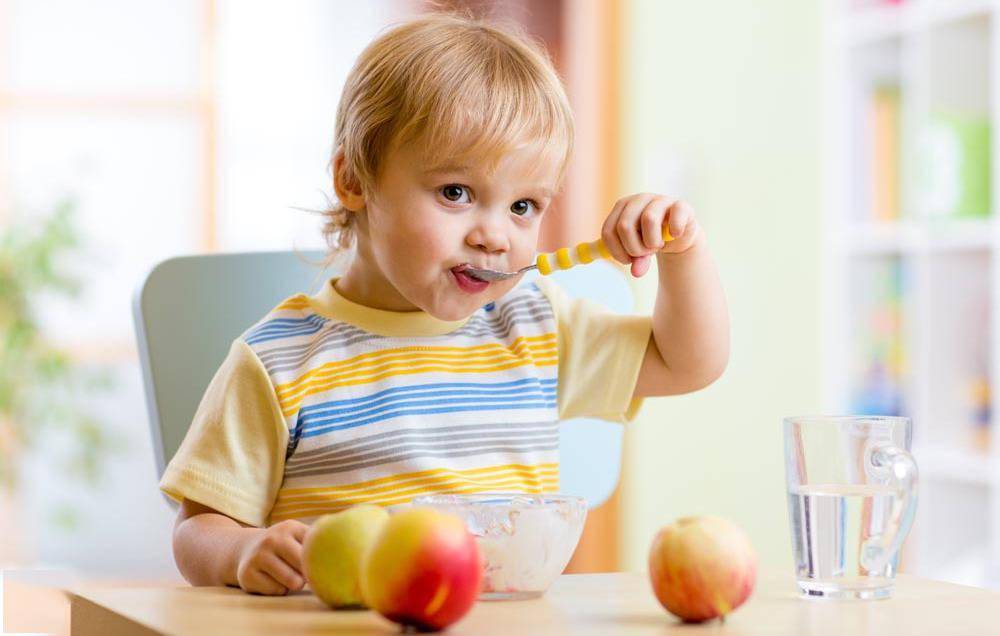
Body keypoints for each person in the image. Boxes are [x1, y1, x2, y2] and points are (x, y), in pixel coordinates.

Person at [161, 12, 729, 596]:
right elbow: (196, 530)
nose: (495, 235)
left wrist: (683, 253)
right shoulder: (278, 360)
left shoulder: (534, 325)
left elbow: (689, 362)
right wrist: (240, 552)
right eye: (456, 193)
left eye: (524, 206)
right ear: (354, 180)